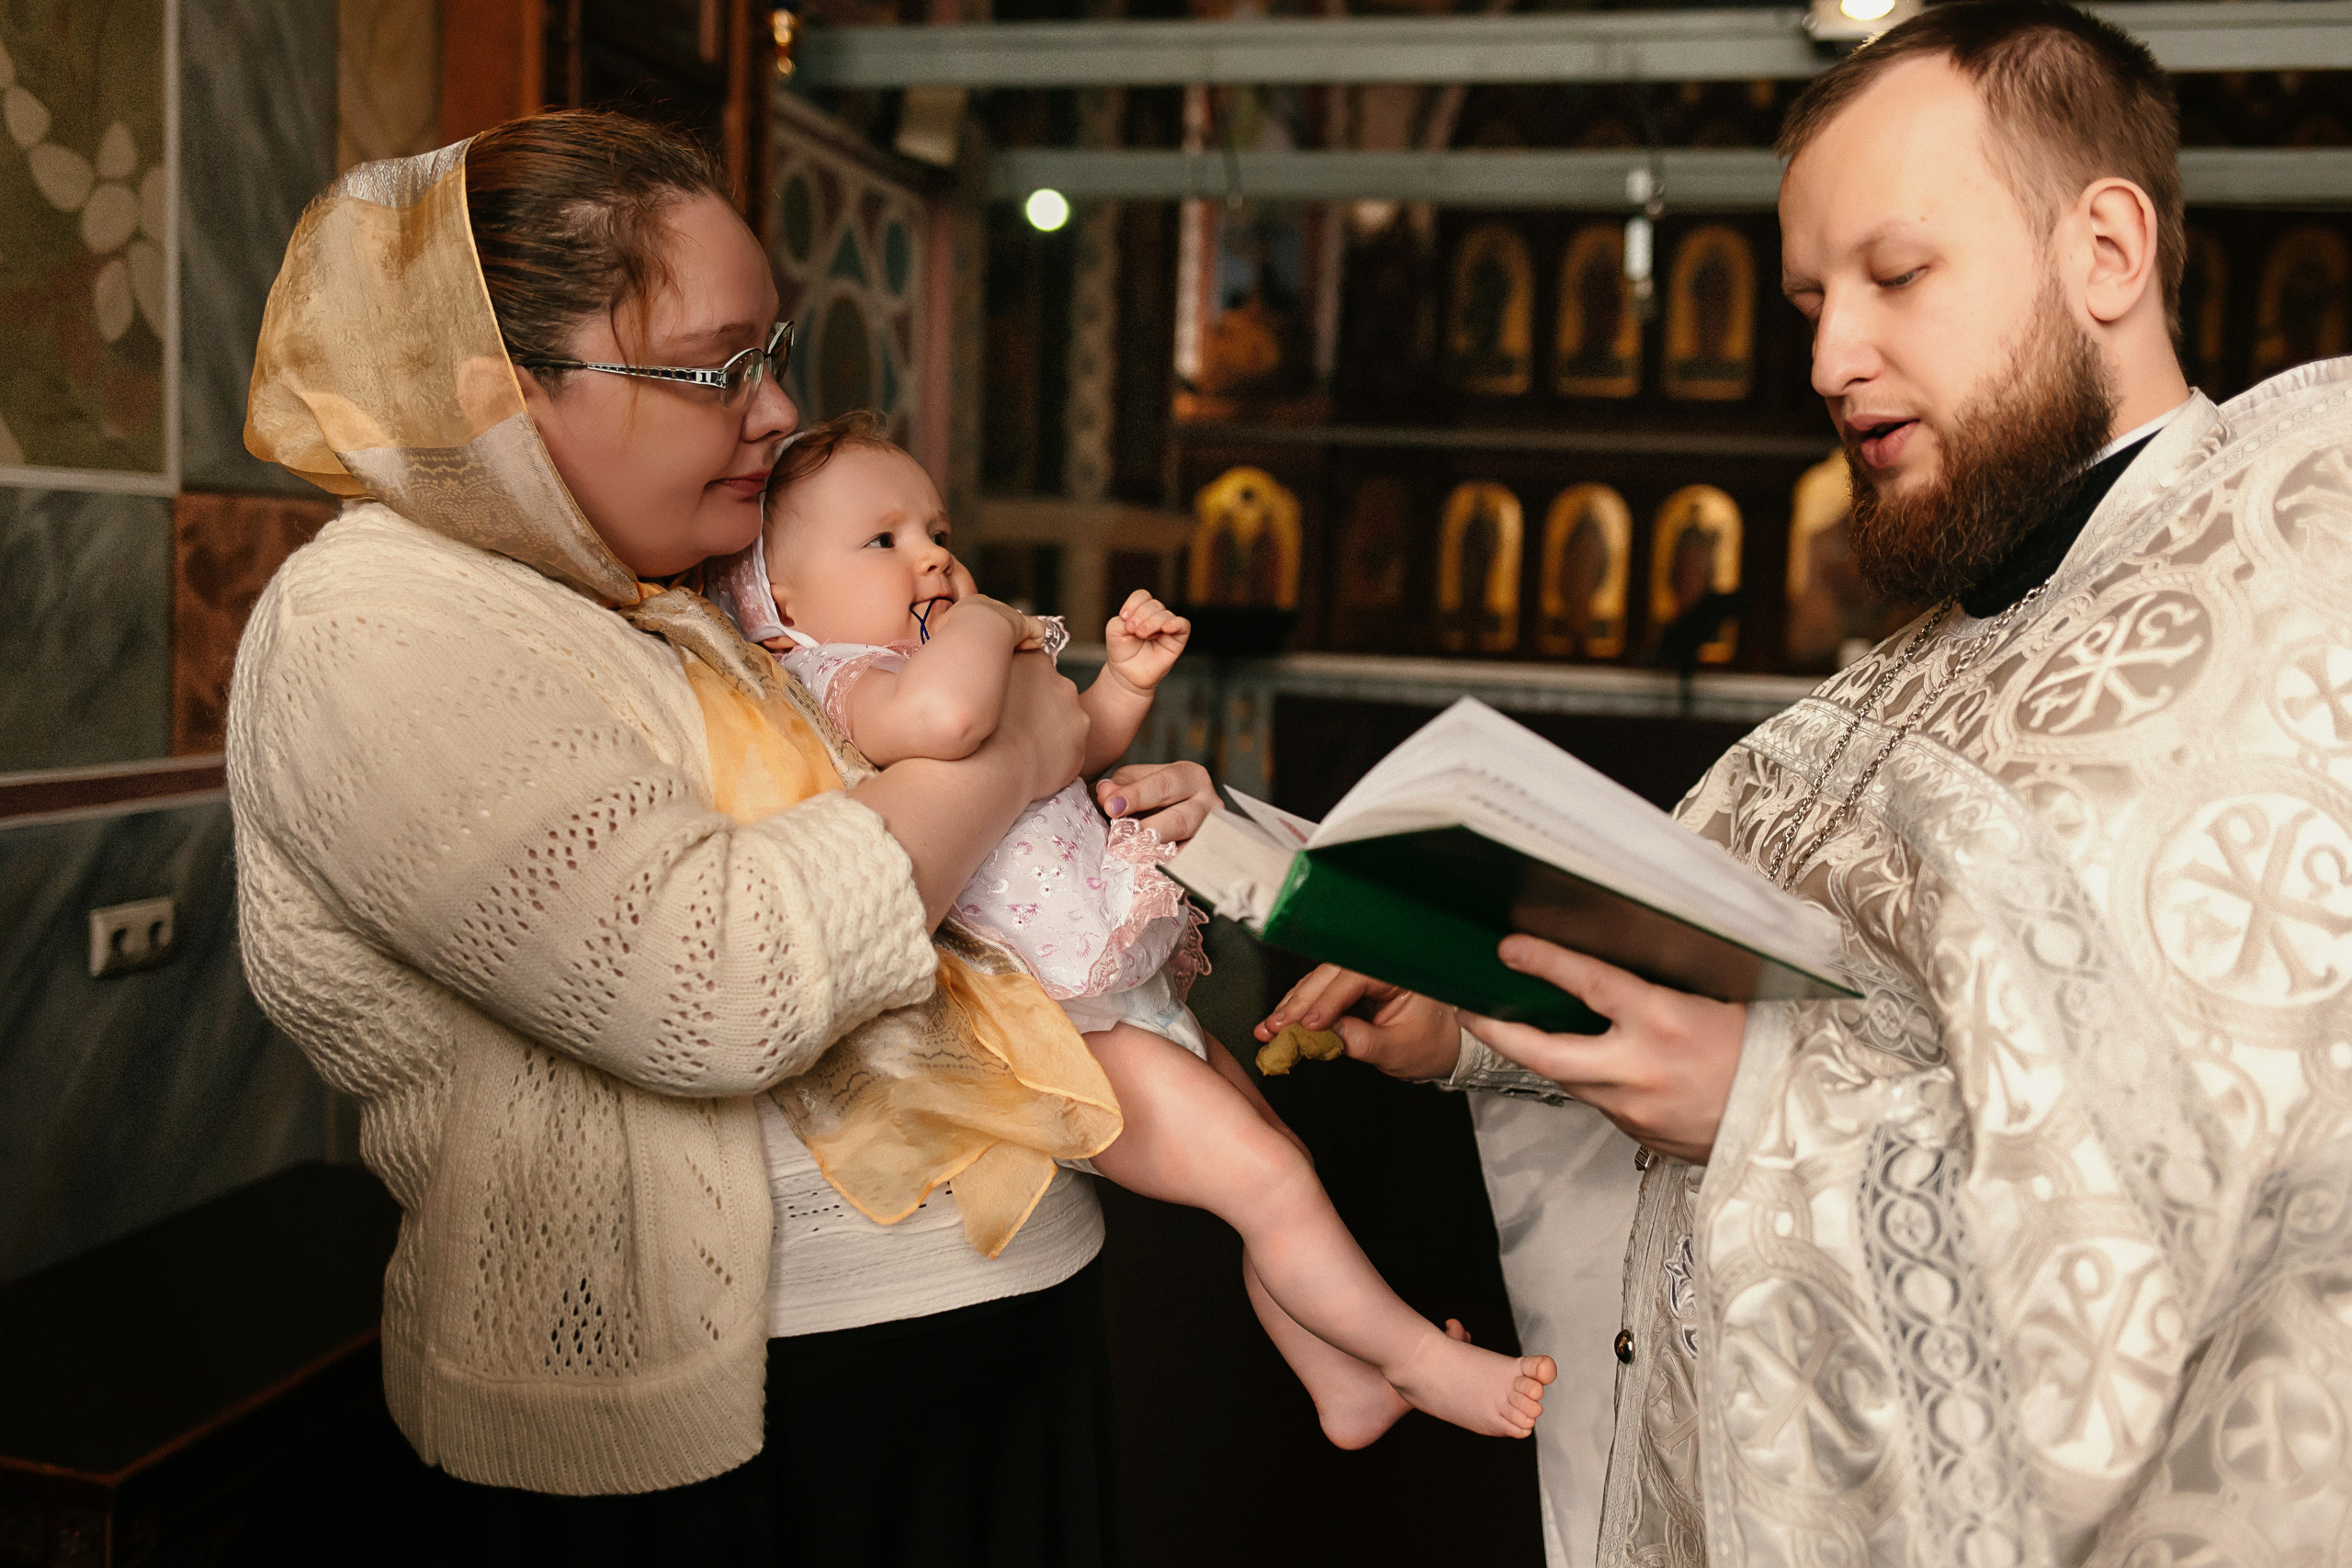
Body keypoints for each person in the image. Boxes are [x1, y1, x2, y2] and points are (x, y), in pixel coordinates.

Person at [1262, 4, 2352, 1562]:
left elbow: (2191, 1204)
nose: (1834, 359)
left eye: (1899, 276)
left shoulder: (2287, 595)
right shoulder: (1928, 661)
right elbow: (1767, 986)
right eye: (1810, 298)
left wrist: (1754, 1108)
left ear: (2105, 252)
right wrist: (1485, 1019)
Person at [228, 111, 1217, 1565]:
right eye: (712, 367)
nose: (773, 409)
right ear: (500, 393)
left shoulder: (681, 588)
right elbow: (721, 973)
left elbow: (927, 861)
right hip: (732, 1441)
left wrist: (1096, 814)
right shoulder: (370, 625)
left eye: (773, 350)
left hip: (991, 1352)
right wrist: (1024, 746)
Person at [733, 415, 1556, 1446]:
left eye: (935, 527)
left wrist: (1119, 686)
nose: (932, 554)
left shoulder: (955, 664)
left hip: (1124, 996)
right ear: (783, 604)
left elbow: (1072, 746)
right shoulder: (846, 678)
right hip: (1066, 1038)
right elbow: (942, 725)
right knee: (1271, 1182)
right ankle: (1419, 1360)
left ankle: (1340, 1382)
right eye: (883, 540)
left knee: (1273, 1158)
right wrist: (989, 620)